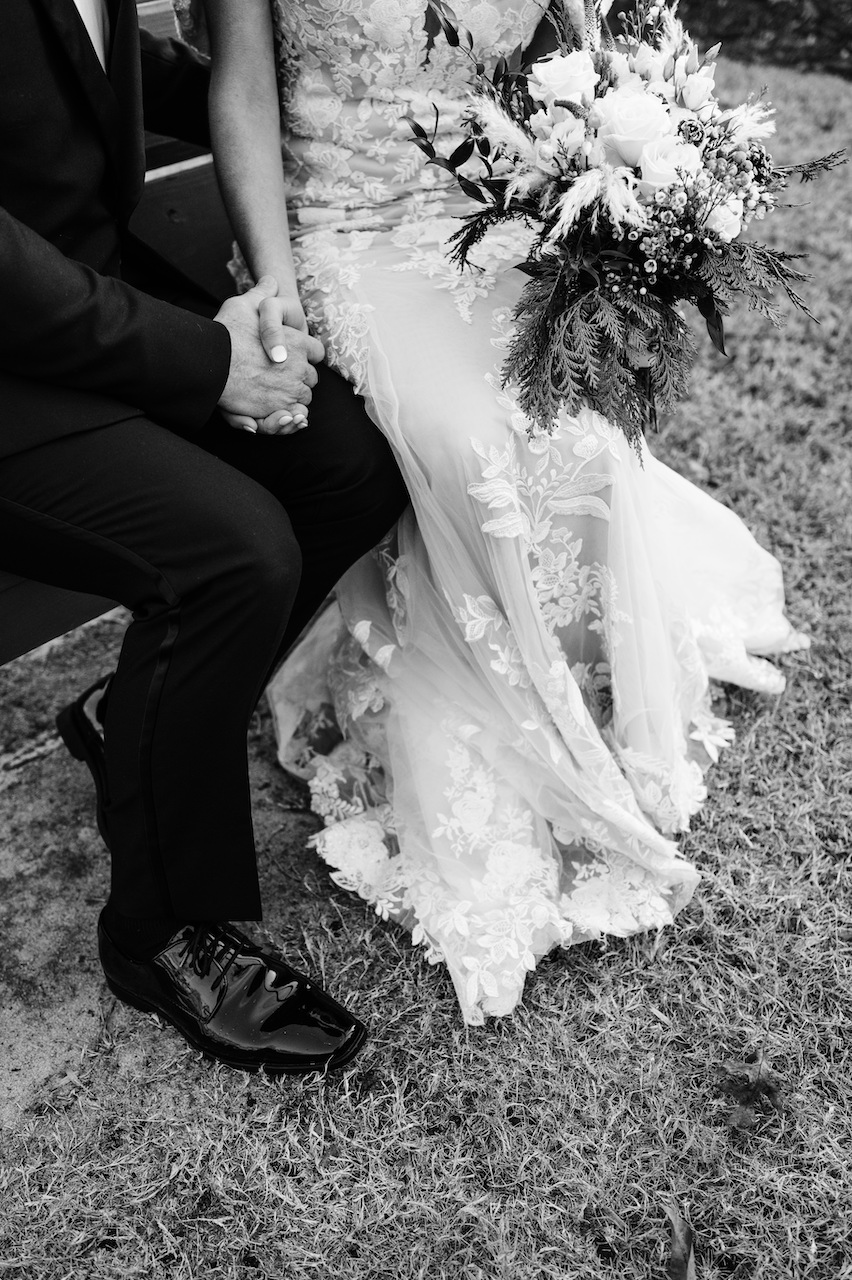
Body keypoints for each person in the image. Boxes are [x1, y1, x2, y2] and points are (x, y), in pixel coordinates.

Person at [180, 0, 809, 1027]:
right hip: (338, 231)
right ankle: (470, 728)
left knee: (581, 436)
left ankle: (573, 669)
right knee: (475, 449)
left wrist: (615, 215)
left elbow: (585, 58)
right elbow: (242, 84)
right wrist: (278, 291)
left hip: (479, 221)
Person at [0, 0, 408, 1072]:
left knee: (348, 469)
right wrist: (206, 359)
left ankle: (123, 715)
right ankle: (157, 931)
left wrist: (322, 105)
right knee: (232, 554)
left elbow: (98, 62)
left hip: (83, 306)